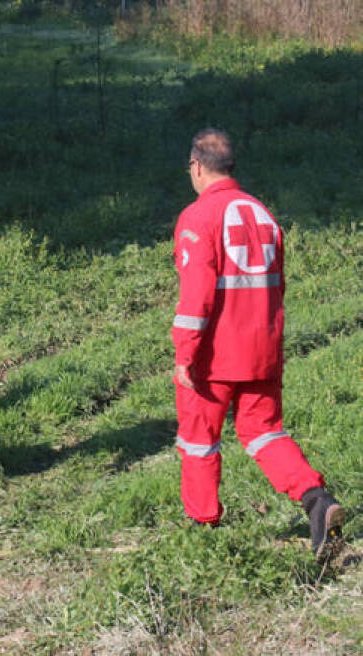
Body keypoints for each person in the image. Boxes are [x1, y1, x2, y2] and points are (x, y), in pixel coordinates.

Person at [172, 127, 344, 561]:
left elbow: (197, 298)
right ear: (231, 165)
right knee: (263, 432)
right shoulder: (262, 213)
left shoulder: (198, 217)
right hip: (263, 346)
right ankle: (316, 500)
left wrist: (185, 354)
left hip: (214, 355)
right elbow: (278, 284)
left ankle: (203, 527)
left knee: (199, 439)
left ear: (195, 167)